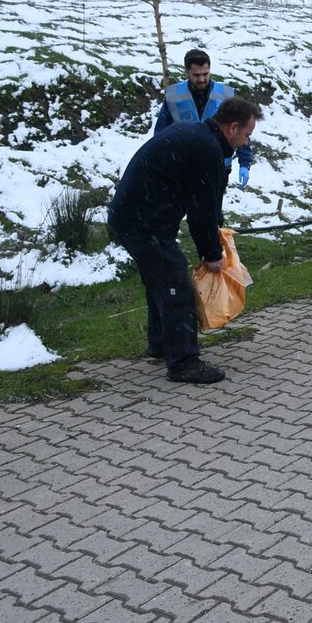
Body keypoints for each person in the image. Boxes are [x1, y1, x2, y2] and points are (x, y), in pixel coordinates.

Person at [110, 96, 261, 384]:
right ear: (232, 128)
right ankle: (183, 363)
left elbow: (205, 200)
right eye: (246, 135)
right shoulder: (206, 149)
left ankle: (161, 344)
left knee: (161, 279)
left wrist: (215, 230)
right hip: (143, 220)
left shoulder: (199, 137)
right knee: (176, 284)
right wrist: (212, 254)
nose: (245, 142)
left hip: (135, 216)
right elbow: (201, 211)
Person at [154, 48, 254, 194]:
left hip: (218, 166)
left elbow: (240, 132)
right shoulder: (173, 96)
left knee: (211, 212)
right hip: (184, 166)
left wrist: (244, 162)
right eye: (196, 75)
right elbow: (161, 134)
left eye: (205, 74)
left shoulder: (227, 95)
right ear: (186, 72)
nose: (201, 79)